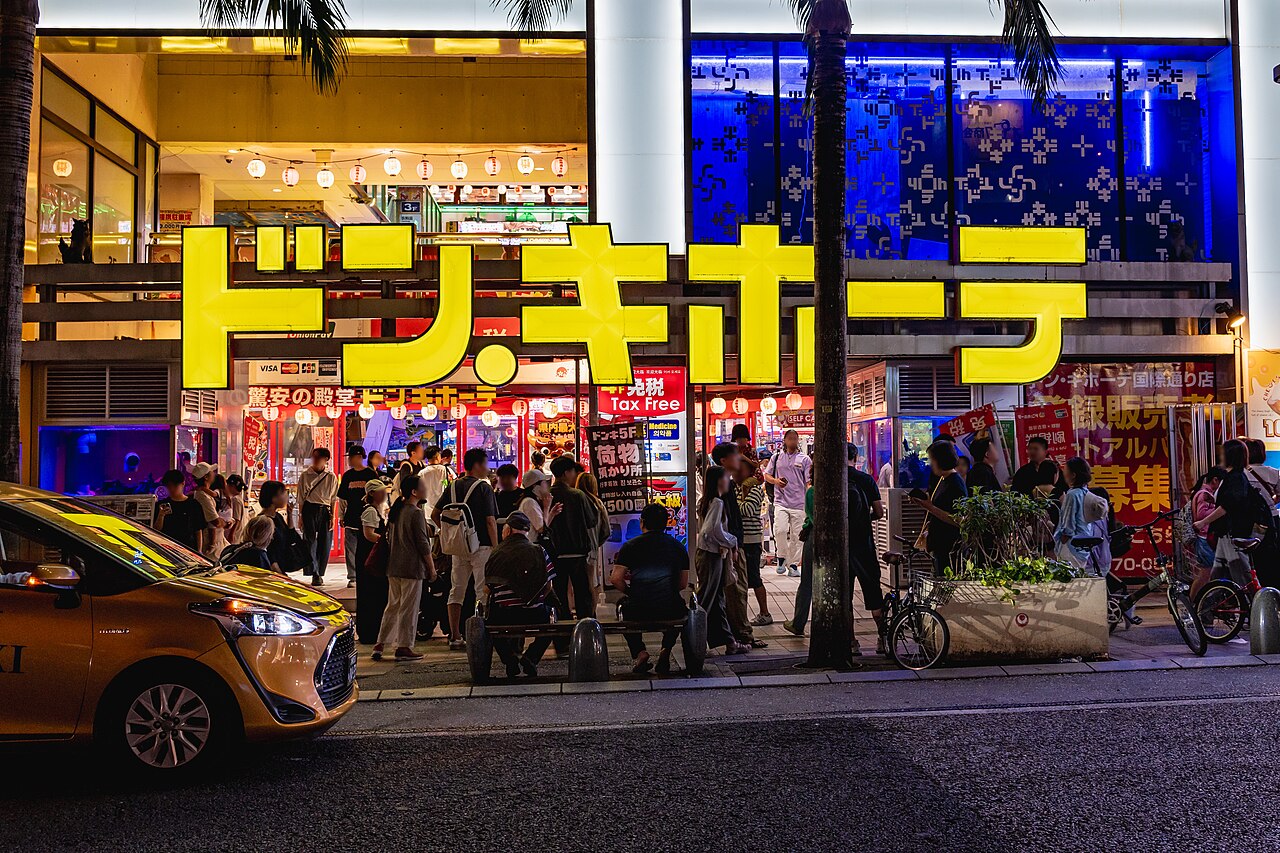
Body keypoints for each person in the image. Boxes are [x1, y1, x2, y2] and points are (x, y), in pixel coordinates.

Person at [433, 447, 500, 651]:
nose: (487, 468)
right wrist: (496, 548)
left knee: (456, 590)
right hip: (481, 545)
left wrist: (449, 533)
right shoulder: (483, 487)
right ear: (477, 465)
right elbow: (490, 521)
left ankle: (455, 635)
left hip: (459, 547)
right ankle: (481, 633)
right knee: (482, 591)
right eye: (485, 464)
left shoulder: (453, 485)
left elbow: (436, 514)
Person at [612, 503, 690, 675]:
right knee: (681, 608)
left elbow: (615, 579)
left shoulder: (630, 546)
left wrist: (632, 593)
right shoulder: (678, 547)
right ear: (665, 523)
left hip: (638, 608)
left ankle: (640, 652)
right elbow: (683, 584)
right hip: (669, 608)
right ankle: (665, 650)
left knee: (622, 607)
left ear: (642, 522)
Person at [483, 511, 557, 678]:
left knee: (491, 622)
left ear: (508, 530)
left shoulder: (496, 553)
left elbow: (487, 589)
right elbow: (548, 587)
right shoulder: (539, 551)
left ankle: (510, 660)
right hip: (535, 614)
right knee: (552, 618)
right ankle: (531, 657)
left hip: (505, 615)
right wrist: (533, 599)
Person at [1196, 439, 1279, 588]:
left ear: (1230, 455)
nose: (1220, 456)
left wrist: (1203, 522)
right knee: (1218, 574)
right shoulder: (1235, 476)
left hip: (1233, 532)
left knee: (1242, 576)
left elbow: (1228, 506)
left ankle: (1254, 600)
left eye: (1222, 453)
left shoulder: (1237, 477)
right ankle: (1211, 600)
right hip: (1228, 533)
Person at [373, 475, 436, 662]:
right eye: (423, 486)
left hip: (394, 566)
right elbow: (423, 544)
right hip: (412, 568)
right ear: (414, 492)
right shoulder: (415, 513)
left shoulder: (397, 511)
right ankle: (404, 646)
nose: (426, 489)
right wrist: (431, 569)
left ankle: (380, 643)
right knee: (409, 608)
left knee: (393, 606)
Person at [711, 442, 762, 648]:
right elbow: (723, 520)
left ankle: (733, 635)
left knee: (731, 592)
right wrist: (732, 544)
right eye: (735, 456)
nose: (739, 459)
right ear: (724, 460)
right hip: (730, 547)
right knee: (736, 591)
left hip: (728, 545)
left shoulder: (724, 481)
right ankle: (742, 635)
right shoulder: (723, 484)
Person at [696, 465, 746, 654]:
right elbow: (710, 531)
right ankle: (694, 640)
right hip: (711, 555)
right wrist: (732, 541)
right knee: (708, 599)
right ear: (719, 481)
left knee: (717, 599)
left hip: (709, 554)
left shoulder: (706, 501)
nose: (729, 481)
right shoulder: (717, 502)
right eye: (726, 477)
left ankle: (729, 641)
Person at [546, 455, 600, 624]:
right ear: (566, 473)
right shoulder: (578, 495)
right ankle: (586, 627)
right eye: (572, 471)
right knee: (582, 593)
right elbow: (591, 520)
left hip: (555, 553)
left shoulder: (547, 495)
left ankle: (562, 629)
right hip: (578, 552)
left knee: (559, 593)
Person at [847, 443, 888, 653]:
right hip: (864, 544)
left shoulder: (831, 479)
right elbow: (879, 513)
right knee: (873, 592)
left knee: (844, 596)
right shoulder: (866, 479)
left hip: (842, 547)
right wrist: (864, 517)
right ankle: (883, 639)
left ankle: (851, 642)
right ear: (855, 457)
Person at [910, 440, 967, 575]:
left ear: (941, 460)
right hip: (940, 543)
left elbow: (958, 519)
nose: (931, 464)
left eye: (932, 460)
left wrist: (929, 507)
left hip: (949, 545)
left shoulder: (954, 483)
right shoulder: (943, 479)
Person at [762, 429, 811, 577]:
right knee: (780, 530)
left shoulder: (805, 459)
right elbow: (767, 475)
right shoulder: (776, 458)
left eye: (795, 438)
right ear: (784, 440)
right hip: (781, 501)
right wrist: (776, 481)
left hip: (799, 503)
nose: (792, 441)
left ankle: (793, 564)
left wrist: (810, 499)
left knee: (797, 536)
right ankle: (782, 557)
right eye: (789, 438)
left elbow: (808, 482)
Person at [355, 479, 392, 644]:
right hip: (369, 559)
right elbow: (369, 534)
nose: (384, 494)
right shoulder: (370, 511)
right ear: (371, 493)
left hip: (370, 558)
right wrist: (384, 541)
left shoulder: (376, 510)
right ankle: (369, 631)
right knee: (370, 594)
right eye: (381, 491)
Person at [337, 445, 378, 589]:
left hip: (368, 519)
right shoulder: (348, 475)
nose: (349, 460)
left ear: (359, 457)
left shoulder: (370, 474)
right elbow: (343, 498)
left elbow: (378, 495)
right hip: (351, 517)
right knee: (350, 549)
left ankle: (366, 573)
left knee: (367, 548)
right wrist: (341, 516)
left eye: (351, 457)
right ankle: (352, 577)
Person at [297, 447, 338, 586]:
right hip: (309, 508)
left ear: (326, 459)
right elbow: (301, 498)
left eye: (318, 457)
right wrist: (300, 516)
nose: (314, 460)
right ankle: (313, 572)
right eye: (313, 457)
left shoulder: (331, 476)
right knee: (309, 541)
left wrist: (333, 517)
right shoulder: (305, 475)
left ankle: (320, 572)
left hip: (325, 510)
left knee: (325, 542)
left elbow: (333, 499)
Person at [738, 463, 773, 627]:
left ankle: (765, 613)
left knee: (753, 578)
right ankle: (741, 615)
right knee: (740, 580)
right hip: (739, 540)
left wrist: (731, 505)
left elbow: (747, 510)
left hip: (751, 540)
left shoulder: (754, 489)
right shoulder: (736, 487)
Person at [783, 474, 816, 637]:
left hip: (814, 537)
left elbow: (811, 517)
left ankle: (798, 623)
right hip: (839, 540)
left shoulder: (812, 492)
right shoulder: (842, 489)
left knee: (807, 582)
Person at [576, 471, 611, 611]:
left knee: (574, 583)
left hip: (576, 548)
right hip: (592, 548)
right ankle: (591, 611)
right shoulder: (598, 504)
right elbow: (606, 530)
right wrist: (596, 543)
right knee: (592, 582)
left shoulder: (576, 502)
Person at [1054, 458, 1097, 569]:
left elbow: (1068, 519)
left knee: (1068, 575)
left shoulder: (1072, 495)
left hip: (1071, 544)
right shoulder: (1085, 492)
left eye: (1066, 470)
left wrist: (1065, 535)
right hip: (1083, 542)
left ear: (1073, 475)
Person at [153, 468, 205, 552]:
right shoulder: (161, 505)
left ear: (183, 483)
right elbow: (155, 530)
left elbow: (198, 530)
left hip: (188, 548)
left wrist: (199, 551)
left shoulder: (193, 504)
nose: (172, 489)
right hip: (166, 547)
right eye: (169, 486)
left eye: (175, 486)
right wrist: (161, 515)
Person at [257, 480, 298, 574]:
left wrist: (290, 515)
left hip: (280, 568)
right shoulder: (264, 522)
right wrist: (278, 572)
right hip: (271, 571)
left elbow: (291, 538)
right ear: (273, 499)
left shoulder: (278, 517)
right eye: (283, 493)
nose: (286, 496)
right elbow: (267, 550)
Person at [1191, 467, 1227, 570]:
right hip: (1204, 537)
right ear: (1215, 480)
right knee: (1209, 571)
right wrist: (1218, 510)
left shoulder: (1204, 492)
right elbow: (1201, 514)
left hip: (1205, 537)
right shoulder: (1205, 494)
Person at [517, 468, 562, 543]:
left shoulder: (531, 501)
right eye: (544, 482)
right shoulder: (529, 502)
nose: (547, 485)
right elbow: (542, 529)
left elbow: (544, 525)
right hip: (530, 545)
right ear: (535, 486)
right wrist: (546, 507)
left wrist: (552, 513)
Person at [190, 462, 225, 557]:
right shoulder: (203, 496)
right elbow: (215, 521)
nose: (214, 473)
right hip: (209, 544)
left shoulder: (204, 493)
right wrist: (225, 523)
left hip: (216, 541)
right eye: (211, 472)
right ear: (206, 477)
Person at [1245, 438, 1280, 522]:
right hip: (1271, 515)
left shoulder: (1240, 473)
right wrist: (1269, 502)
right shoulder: (1274, 472)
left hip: (1248, 516)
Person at [420, 445, 451, 513]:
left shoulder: (422, 473)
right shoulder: (444, 469)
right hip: (441, 507)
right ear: (436, 456)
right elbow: (445, 483)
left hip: (427, 508)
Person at [224, 474, 247, 544]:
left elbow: (237, 519)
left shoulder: (235, 500)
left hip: (234, 534)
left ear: (232, 486)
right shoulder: (238, 498)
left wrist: (231, 534)